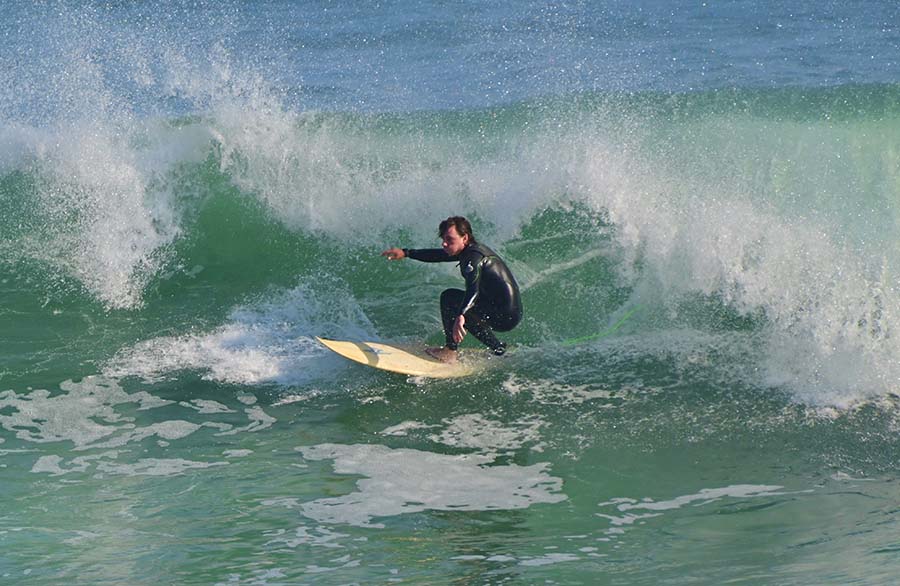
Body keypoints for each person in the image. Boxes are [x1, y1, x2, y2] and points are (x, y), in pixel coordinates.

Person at [382, 216, 523, 362]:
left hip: (504, 315)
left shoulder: (473, 259)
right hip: (506, 311)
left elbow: (472, 290)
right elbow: (437, 255)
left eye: (449, 240)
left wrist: (461, 315)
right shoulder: (469, 251)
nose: (444, 243)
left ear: (465, 238)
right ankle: (498, 349)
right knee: (461, 306)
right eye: (443, 239)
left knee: (450, 299)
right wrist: (406, 253)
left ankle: (450, 351)